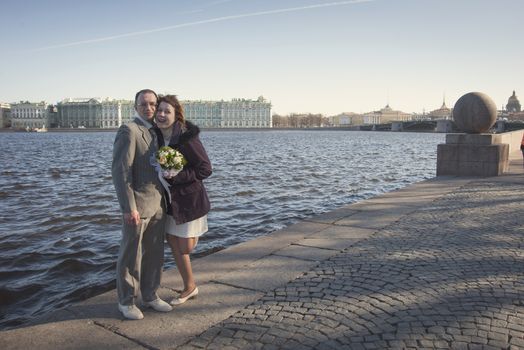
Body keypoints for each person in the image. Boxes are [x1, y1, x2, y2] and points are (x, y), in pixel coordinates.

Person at [112, 89, 172, 320]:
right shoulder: (129, 130)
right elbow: (121, 171)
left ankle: (150, 295)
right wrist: (129, 207)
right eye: (144, 104)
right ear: (135, 106)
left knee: (155, 253)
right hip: (137, 205)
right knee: (131, 254)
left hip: (158, 203)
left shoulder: (157, 131)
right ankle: (126, 301)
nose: (149, 108)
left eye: (152, 104)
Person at [153, 95, 212, 305]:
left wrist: (177, 176)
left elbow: (205, 169)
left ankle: (190, 285)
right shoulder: (156, 136)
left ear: (176, 115)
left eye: (167, 111)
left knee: (185, 247)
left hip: (188, 200)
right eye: (159, 110)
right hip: (169, 201)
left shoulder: (187, 137)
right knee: (173, 242)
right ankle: (190, 286)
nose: (161, 115)